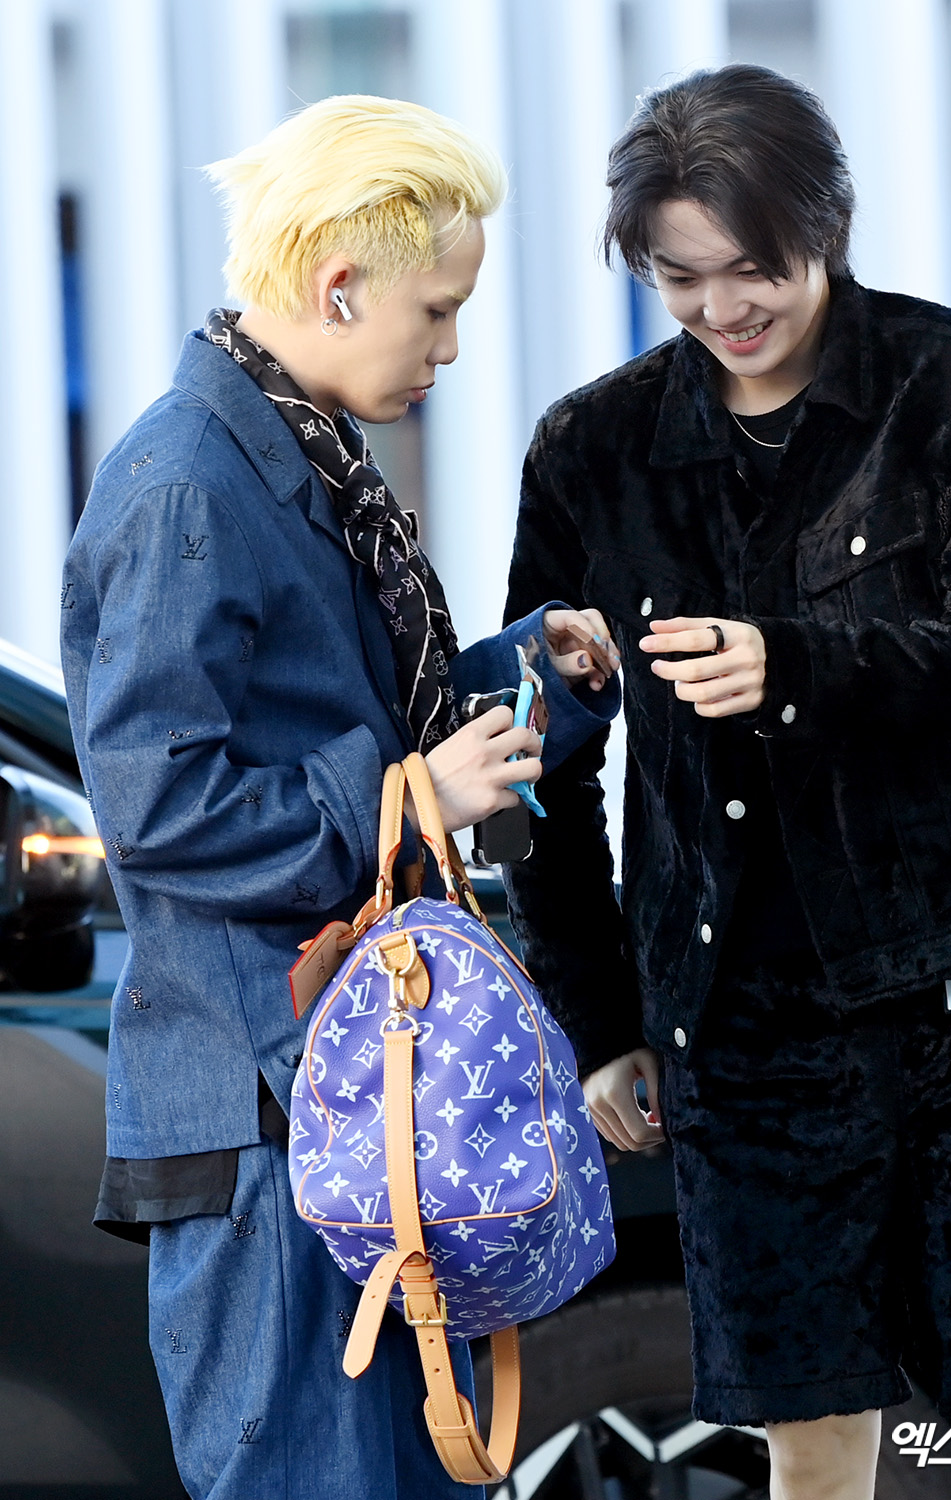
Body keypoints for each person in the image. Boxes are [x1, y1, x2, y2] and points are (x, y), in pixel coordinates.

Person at [502, 64, 951, 1500]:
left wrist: (795, 665)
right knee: (808, 1443)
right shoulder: (593, 449)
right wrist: (599, 1021)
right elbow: (534, 764)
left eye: (753, 268)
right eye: (680, 278)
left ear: (826, 226)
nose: (721, 308)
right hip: (742, 1025)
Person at [59, 94, 618, 1500]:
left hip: (356, 1107)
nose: (449, 348)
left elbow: (361, 725)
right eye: (437, 310)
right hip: (265, 1121)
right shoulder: (188, 483)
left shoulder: (297, 452)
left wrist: (534, 680)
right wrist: (410, 790)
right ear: (340, 283)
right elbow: (159, 813)